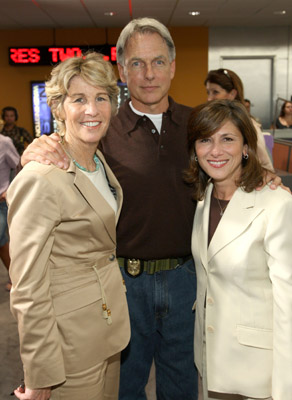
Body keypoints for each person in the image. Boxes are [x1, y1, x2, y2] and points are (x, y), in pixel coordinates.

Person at [21, 17, 198, 400]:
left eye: (157, 62)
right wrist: (33, 150)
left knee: (183, 385)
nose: (148, 73)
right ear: (121, 69)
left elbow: (234, 163)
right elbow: (66, 156)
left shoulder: (197, 125)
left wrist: (265, 177)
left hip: (186, 281)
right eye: (136, 63)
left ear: (173, 65)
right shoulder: (102, 125)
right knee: (123, 388)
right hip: (121, 284)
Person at [7, 52, 130, 400]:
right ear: (59, 108)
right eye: (79, 99)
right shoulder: (42, 177)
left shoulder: (96, 159)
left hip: (106, 331)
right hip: (68, 349)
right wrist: (41, 373)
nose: (92, 110)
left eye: (101, 98)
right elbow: (27, 287)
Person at [185, 99, 292, 400]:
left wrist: (285, 389)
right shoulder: (203, 198)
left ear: (246, 146)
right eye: (205, 140)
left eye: (227, 139)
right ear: (195, 149)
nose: (215, 151)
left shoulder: (276, 204)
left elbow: (288, 303)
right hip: (211, 362)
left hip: (258, 373)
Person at [204, 68, 272, 170]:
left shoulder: (248, 124)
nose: (209, 98)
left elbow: (265, 165)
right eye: (208, 92)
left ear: (232, 94)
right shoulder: (209, 121)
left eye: (215, 92)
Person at [0, 134, 19, 291]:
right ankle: (15, 277)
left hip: (1, 202)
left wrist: (9, 189)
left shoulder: (4, 142)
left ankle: (16, 277)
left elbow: (18, 164)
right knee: (2, 241)